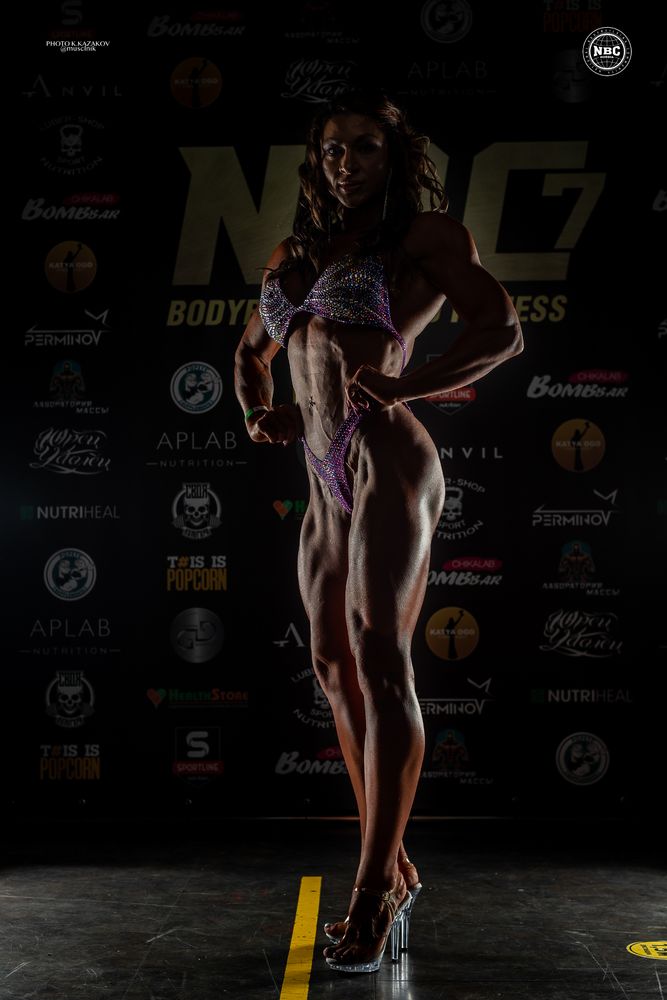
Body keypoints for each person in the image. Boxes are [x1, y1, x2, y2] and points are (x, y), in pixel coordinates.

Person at [234, 87, 523, 973]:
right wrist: (260, 412)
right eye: (331, 148)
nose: (345, 162)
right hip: (321, 476)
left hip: (385, 456)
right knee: (331, 666)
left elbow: (502, 332)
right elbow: (251, 353)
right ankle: (391, 863)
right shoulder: (294, 254)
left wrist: (407, 385)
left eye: (363, 146)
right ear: (314, 160)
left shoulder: (424, 238)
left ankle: (370, 890)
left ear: (391, 155)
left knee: (378, 656)